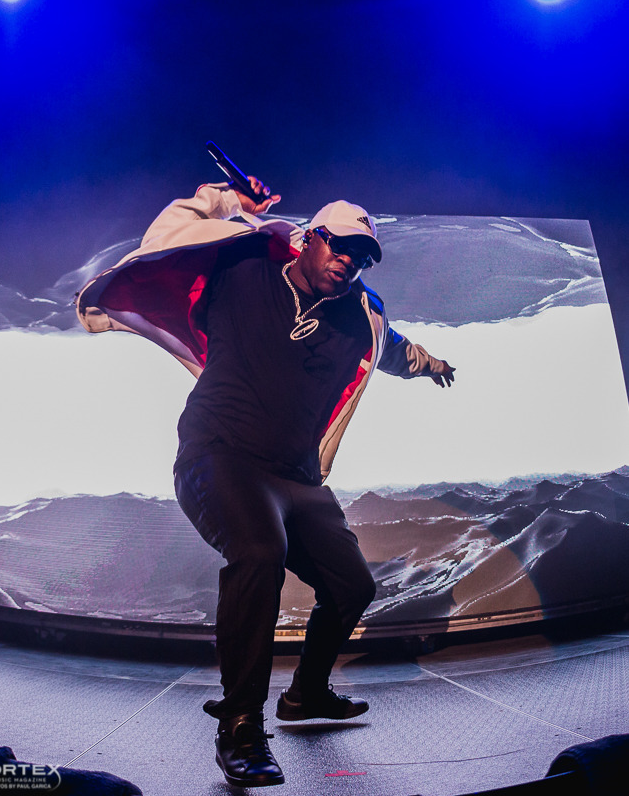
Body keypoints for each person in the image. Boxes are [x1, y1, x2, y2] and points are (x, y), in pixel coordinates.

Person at [76, 175, 455, 788]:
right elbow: (170, 232)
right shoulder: (244, 265)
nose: (347, 261)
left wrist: (432, 363)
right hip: (218, 455)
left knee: (353, 585)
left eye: (360, 255)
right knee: (259, 552)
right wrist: (226, 201)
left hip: (297, 478)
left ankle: (305, 695)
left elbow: (396, 351)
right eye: (337, 246)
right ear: (309, 238)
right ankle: (241, 726)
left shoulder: (362, 317)